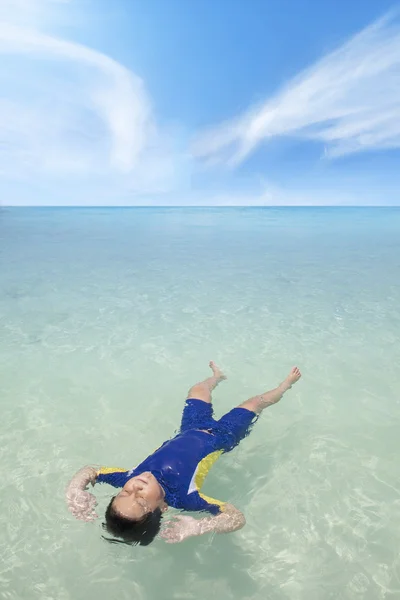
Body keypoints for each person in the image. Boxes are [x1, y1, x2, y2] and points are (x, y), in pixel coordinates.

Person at [66, 362, 301, 545]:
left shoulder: (127, 477)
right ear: (161, 508)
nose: (134, 488)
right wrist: (200, 527)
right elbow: (236, 518)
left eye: (124, 493)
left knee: (197, 389)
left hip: (191, 426)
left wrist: (75, 489)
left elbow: (91, 471)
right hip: (224, 435)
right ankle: (285, 386)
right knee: (257, 402)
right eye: (139, 499)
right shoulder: (185, 497)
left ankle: (216, 378)